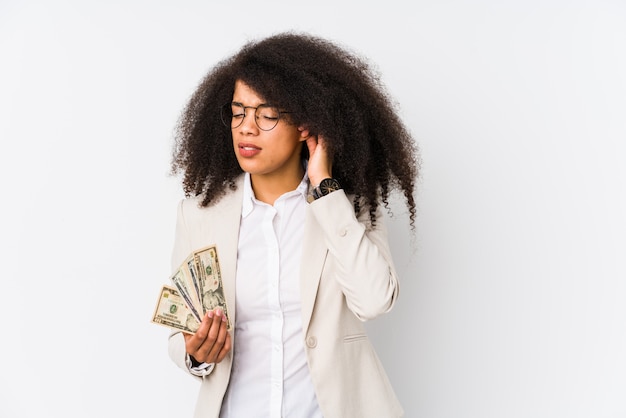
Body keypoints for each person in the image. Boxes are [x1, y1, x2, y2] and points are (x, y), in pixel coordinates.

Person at [166, 31, 419, 418]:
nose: (246, 128)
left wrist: (326, 188)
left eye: (266, 115)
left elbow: (374, 300)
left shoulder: (348, 208)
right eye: (238, 112)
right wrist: (195, 352)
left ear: (305, 125)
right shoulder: (201, 214)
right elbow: (179, 329)